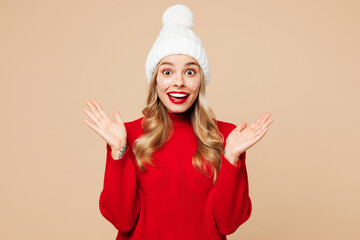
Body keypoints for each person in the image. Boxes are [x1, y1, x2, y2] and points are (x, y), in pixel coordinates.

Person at [82, 4, 273, 240]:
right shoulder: (127, 135)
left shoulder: (227, 136)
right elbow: (122, 220)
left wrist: (232, 156)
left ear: (201, 80)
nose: (179, 82)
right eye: (167, 72)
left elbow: (228, 224)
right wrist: (118, 152)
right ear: (155, 80)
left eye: (190, 72)